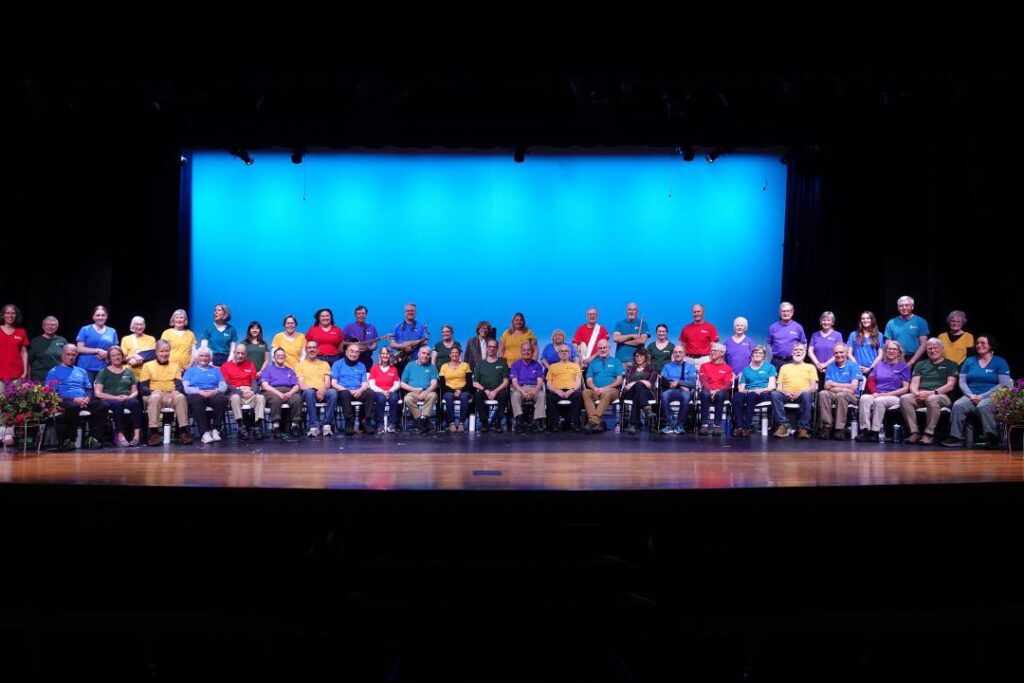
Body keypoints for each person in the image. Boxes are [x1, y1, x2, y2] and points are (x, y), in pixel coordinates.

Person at [942, 335, 1012, 448]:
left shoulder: (1000, 362)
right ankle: (955, 437)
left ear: (990, 345)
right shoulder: (969, 361)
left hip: (992, 395)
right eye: (978, 343)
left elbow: (1004, 384)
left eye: (983, 343)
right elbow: (962, 382)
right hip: (972, 394)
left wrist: (982, 396)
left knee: (983, 406)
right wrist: (970, 395)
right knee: (958, 405)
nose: (979, 345)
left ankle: (991, 437)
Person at [45, 345, 107, 451]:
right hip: (64, 400)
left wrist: (87, 398)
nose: (71, 357)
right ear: (62, 356)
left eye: (73, 355)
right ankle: (69, 439)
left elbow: (88, 389)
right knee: (72, 406)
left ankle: (92, 438)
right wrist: (74, 399)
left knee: (103, 405)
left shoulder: (81, 371)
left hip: (82, 399)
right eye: (68, 354)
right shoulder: (54, 371)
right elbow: (51, 393)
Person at [898, 338, 958, 445]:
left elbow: (950, 385)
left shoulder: (951, 364)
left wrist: (931, 393)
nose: (932, 351)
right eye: (929, 348)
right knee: (905, 398)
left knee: (932, 399)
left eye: (936, 348)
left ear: (942, 349)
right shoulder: (920, 364)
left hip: (941, 396)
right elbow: (914, 384)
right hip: (921, 395)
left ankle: (928, 434)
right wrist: (916, 393)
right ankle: (914, 432)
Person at [138, 340, 191, 446]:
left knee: (180, 397)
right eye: (162, 351)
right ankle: (154, 433)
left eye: (167, 351)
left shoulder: (175, 365)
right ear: (156, 352)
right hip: (153, 396)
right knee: (156, 397)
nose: (164, 354)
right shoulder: (148, 366)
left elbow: (179, 385)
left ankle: (183, 432)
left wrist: (177, 391)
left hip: (170, 395)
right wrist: (153, 391)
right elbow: (143, 387)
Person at [856, 340, 910, 443]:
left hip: (894, 396)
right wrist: (874, 392)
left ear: (899, 352)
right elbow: (871, 380)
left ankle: (875, 432)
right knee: (864, 398)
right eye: (889, 349)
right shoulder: (879, 365)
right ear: (885, 351)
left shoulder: (904, 366)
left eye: (894, 349)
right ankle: (864, 430)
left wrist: (888, 394)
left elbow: (906, 388)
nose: (891, 351)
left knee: (879, 401)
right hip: (878, 393)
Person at [93, 346, 142, 447]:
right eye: (113, 355)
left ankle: (136, 435)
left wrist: (128, 397)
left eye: (118, 354)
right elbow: (97, 393)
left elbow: (135, 391)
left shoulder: (129, 371)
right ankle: (119, 434)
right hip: (111, 399)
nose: (116, 357)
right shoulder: (104, 372)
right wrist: (115, 397)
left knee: (136, 403)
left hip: (127, 398)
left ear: (123, 356)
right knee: (117, 404)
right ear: (109, 358)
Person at [816, 343, 863, 440]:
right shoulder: (830, 367)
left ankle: (839, 429)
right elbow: (827, 386)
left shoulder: (854, 366)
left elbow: (853, 387)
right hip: (836, 393)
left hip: (852, 396)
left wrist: (834, 384)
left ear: (846, 353)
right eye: (836, 353)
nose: (838, 355)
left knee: (841, 395)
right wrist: (844, 388)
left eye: (841, 352)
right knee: (823, 393)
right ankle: (826, 427)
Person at [183, 347, 229, 444]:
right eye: (202, 356)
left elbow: (224, 386)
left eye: (206, 356)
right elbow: (186, 388)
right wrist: (199, 391)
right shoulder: (190, 371)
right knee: (197, 401)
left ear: (210, 358)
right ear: (197, 357)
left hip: (212, 392)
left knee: (222, 399)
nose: (204, 358)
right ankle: (205, 433)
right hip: (196, 393)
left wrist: (215, 391)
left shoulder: (216, 370)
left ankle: (216, 429)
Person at [770, 343, 817, 439]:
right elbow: (779, 387)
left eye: (800, 350)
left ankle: (803, 428)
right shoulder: (784, 367)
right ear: (792, 352)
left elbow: (813, 387)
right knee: (775, 394)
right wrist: (785, 392)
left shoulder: (810, 367)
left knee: (806, 395)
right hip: (786, 395)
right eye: (796, 350)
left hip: (802, 396)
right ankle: (783, 426)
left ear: (804, 353)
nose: (798, 351)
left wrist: (800, 393)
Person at [221, 343, 266, 441]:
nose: (240, 356)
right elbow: (226, 385)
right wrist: (240, 392)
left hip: (249, 391)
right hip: (234, 392)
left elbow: (254, 382)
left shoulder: (250, 364)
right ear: (234, 353)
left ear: (246, 354)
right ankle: (241, 427)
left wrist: (253, 392)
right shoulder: (225, 366)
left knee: (261, 397)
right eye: (238, 353)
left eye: (243, 353)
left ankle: (257, 427)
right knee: (235, 398)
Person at [732, 345, 777, 438]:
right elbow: (741, 388)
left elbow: (772, 386)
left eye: (760, 353)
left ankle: (747, 427)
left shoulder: (770, 367)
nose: (758, 354)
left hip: (764, 393)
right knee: (737, 396)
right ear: (752, 355)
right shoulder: (746, 369)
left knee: (751, 395)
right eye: (756, 352)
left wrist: (759, 390)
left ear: (764, 356)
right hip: (749, 392)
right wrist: (750, 391)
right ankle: (739, 427)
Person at [296, 340, 337, 437]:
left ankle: (326, 424)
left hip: (323, 391)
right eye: (309, 348)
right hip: (308, 392)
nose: (312, 350)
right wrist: (316, 391)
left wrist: (323, 390)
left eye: (314, 347)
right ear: (306, 350)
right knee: (310, 392)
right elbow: (301, 385)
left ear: (318, 350)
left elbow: (328, 382)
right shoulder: (299, 365)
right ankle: (314, 426)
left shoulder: (324, 364)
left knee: (333, 392)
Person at [331, 342, 373, 435]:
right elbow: (333, 383)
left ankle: (366, 422)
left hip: (358, 391)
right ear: (346, 352)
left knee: (370, 393)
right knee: (345, 393)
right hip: (344, 392)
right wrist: (348, 391)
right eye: (352, 351)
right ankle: (349, 422)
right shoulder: (337, 364)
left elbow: (365, 384)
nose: (354, 354)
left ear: (359, 354)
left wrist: (359, 390)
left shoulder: (361, 365)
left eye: (357, 352)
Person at [260, 348, 303, 438]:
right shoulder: (268, 370)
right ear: (273, 358)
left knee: (297, 398)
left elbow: (296, 386)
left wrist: (290, 393)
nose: (280, 357)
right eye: (278, 355)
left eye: (282, 355)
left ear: (285, 357)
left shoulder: (290, 370)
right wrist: (279, 394)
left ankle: (294, 426)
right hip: (271, 391)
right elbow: (265, 385)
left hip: (288, 391)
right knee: (276, 400)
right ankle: (276, 427)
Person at [582, 340, 624, 432]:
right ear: (598, 350)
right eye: (600, 348)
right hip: (596, 390)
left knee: (607, 393)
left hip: (612, 391)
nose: (602, 350)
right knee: (585, 392)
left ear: (609, 348)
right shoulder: (593, 364)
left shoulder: (616, 361)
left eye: (604, 347)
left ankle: (593, 421)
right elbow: (589, 380)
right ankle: (598, 423)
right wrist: (595, 388)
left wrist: (605, 388)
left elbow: (619, 381)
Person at [472, 339, 510, 432]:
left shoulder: (502, 362)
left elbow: (506, 381)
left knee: (504, 395)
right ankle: (484, 423)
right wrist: (486, 390)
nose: (492, 349)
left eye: (494, 347)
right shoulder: (480, 364)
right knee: (477, 395)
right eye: (490, 346)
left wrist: (495, 391)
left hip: (498, 390)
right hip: (484, 391)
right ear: (486, 348)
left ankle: (498, 423)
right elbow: (475, 382)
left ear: (497, 349)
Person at [659, 345, 697, 434]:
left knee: (685, 396)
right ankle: (669, 424)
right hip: (671, 390)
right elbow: (664, 382)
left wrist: (678, 382)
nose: (677, 354)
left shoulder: (690, 366)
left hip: (685, 392)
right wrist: (680, 385)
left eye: (680, 352)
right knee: (664, 395)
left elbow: (693, 383)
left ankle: (680, 425)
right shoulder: (667, 366)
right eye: (675, 352)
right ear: (673, 354)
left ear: (684, 354)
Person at [400, 345, 439, 433]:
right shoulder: (410, 365)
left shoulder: (432, 367)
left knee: (433, 395)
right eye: (423, 353)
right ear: (418, 354)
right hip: (414, 392)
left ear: (430, 356)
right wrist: (415, 390)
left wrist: (426, 392)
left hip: (428, 392)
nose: (425, 356)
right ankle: (420, 420)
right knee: (407, 398)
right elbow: (402, 383)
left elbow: (434, 384)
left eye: (428, 354)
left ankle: (423, 418)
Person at [509, 342, 546, 432]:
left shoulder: (537, 365)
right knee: (515, 395)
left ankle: (536, 422)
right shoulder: (515, 365)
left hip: (534, 387)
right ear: (521, 352)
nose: (526, 352)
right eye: (524, 350)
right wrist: (523, 392)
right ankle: (519, 421)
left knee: (541, 395)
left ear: (532, 351)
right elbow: (514, 382)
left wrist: (534, 392)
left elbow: (540, 382)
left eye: (529, 350)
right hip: (520, 388)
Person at [545, 344, 583, 432]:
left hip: (572, 390)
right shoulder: (553, 366)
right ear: (558, 354)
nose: (564, 353)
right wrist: (556, 391)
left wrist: (571, 390)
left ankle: (574, 423)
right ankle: (555, 424)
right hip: (556, 390)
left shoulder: (575, 366)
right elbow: (548, 384)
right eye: (562, 351)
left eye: (566, 351)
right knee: (550, 396)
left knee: (578, 395)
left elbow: (578, 382)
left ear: (569, 353)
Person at [698, 342, 733, 436]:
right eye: (711, 350)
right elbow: (703, 380)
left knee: (720, 394)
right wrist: (710, 390)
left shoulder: (727, 368)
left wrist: (717, 390)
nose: (712, 352)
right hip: (708, 390)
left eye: (715, 350)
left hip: (721, 392)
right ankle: (704, 425)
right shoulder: (704, 366)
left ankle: (717, 425)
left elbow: (728, 384)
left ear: (722, 353)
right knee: (705, 393)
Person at [76, 305, 118, 382]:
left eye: (103, 315)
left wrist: (107, 355)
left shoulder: (112, 331)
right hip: (86, 367)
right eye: (97, 315)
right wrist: (98, 350)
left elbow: (115, 351)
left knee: (102, 393)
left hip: (104, 368)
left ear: (106, 316)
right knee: (87, 392)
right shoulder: (85, 329)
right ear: (93, 317)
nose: (100, 317)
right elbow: (79, 348)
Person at [884, 296, 929, 366]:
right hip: (897, 359)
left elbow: (923, 344)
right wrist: (893, 359)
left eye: (907, 305)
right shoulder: (891, 323)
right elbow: (888, 343)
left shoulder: (921, 322)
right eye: (901, 306)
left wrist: (912, 362)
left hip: (916, 359)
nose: (904, 307)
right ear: (898, 308)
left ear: (912, 307)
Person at [622, 347, 658, 434]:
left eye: (641, 356)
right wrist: (642, 381)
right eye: (637, 356)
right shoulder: (631, 369)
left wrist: (637, 382)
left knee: (637, 393)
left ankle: (634, 425)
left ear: (646, 357)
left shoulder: (651, 368)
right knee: (638, 388)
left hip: (647, 393)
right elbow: (627, 386)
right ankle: (646, 408)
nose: (639, 358)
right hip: (630, 392)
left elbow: (649, 384)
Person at [439, 345, 472, 432]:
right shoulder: (444, 366)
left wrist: (460, 390)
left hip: (463, 389)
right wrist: (453, 391)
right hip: (448, 390)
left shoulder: (465, 365)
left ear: (459, 354)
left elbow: (469, 383)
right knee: (449, 397)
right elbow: (442, 384)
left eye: (457, 352)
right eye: (453, 352)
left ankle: (461, 423)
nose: (455, 354)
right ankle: (451, 423)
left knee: (464, 397)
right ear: (450, 355)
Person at [767, 302, 807, 372]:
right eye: (783, 311)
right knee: (774, 381)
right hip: (776, 361)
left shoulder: (798, 327)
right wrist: (775, 354)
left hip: (792, 360)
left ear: (792, 312)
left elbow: (804, 344)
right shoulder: (773, 327)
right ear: (780, 312)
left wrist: (800, 358)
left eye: (788, 311)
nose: (785, 313)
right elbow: (769, 344)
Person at [369, 347, 401, 434]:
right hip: (378, 392)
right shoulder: (374, 368)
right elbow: (371, 384)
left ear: (390, 355)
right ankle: (380, 425)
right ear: (380, 355)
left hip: (390, 391)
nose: (385, 355)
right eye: (383, 353)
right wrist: (382, 392)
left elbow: (397, 384)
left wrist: (389, 391)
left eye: (387, 353)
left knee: (394, 397)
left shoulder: (393, 369)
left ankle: (392, 425)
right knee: (381, 399)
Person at [390, 302, 430, 372]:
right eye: (408, 311)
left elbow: (425, 341)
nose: (410, 312)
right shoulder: (397, 326)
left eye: (412, 311)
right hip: (399, 360)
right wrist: (402, 346)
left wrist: (410, 343)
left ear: (416, 312)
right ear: (404, 312)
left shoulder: (421, 326)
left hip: (416, 361)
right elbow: (392, 344)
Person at [28, 316, 68, 383]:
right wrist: (28, 379)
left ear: (57, 327)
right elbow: (29, 362)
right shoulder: (35, 341)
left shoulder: (62, 340)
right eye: (47, 325)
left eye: (53, 325)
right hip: (40, 378)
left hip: (58, 377)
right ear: (43, 327)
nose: (50, 327)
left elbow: (67, 359)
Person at [679, 303, 718, 370]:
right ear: (692, 313)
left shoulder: (711, 327)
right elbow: (683, 346)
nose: (696, 313)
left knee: (705, 380)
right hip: (689, 360)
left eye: (698, 311)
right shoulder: (686, 328)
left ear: (703, 313)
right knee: (687, 380)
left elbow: (713, 347)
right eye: (694, 312)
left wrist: (712, 359)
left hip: (704, 359)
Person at [846, 311, 885, 379]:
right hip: (857, 369)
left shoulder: (879, 335)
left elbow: (881, 354)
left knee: (871, 389)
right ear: (860, 321)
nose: (865, 320)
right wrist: (857, 366)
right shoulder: (853, 334)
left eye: (868, 318)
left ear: (872, 320)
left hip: (874, 369)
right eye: (863, 318)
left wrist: (871, 367)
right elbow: (849, 353)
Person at [342, 305, 379, 371]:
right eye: (359, 313)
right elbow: (342, 342)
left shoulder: (371, 327)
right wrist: (354, 345)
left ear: (366, 314)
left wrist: (369, 348)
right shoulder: (348, 327)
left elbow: (375, 344)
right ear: (355, 315)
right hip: (352, 358)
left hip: (366, 359)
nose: (361, 315)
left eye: (363, 313)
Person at [0, 304, 29, 390]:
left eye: (13, 313)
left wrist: (25, 371)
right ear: (3, 315)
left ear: (16, 315)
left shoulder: (21, 332)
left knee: (15, 402)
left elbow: (24, 352)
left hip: (16, 373)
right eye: (8, 313)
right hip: (1, 372)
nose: (10, 315)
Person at [808, 311, 843, 378]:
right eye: (824, 320)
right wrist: (818, 364)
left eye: (828, 320)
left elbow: (840, 353)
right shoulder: (815, 335)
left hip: (833, 369)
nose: (826, 322)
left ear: (832, 322)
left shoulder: (838, 335)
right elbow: (810, 352)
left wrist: (825, 365)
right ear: (821, 321)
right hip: (816, 369)